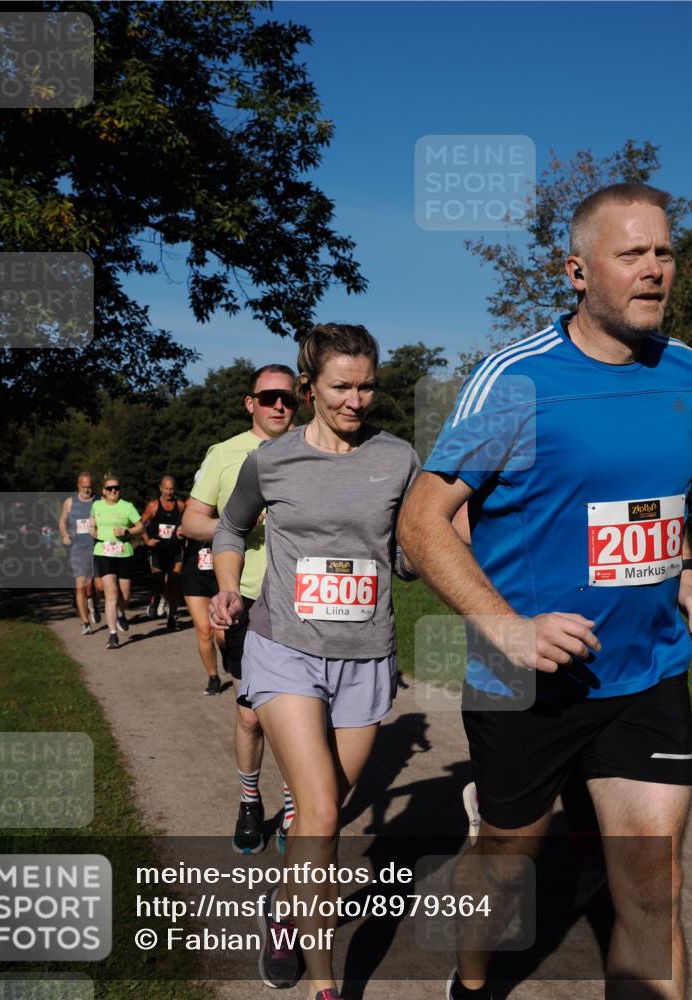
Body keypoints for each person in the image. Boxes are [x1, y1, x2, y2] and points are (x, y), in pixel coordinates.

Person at [398, 183, 692, 1000]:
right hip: (526, 683)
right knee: (507, 857)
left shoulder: (686, 373)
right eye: (631, 253)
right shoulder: (515, 380)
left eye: (665, 252)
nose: (654, 269)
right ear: (577, 270)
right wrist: (509, 629)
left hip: (649, 672)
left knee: (655, 886)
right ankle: (469, 981)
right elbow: (421, 521)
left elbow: (673, 505)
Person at [210, 324, 420, 999]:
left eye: (367, 386)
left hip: (366, 657)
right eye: (341, 387)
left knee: (314, 818)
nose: (356, 401)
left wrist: (433, 548)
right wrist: (227, 586)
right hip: (284, 649)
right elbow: (229, 526)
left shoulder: (399, 458)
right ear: (309, 389)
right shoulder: (272, 460)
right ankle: (323, 985)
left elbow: (408, 556)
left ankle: (283, 906)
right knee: (323, 814)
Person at [182, 364, 298, 852]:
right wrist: (241, 521)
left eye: (288, 398)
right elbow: (191, 522)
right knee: (251, 715)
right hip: (247, 598)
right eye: (268, 397)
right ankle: (250, 800)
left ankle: (294, 804)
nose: (279, 405)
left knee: (304, 715)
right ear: (250, 403)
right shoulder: (225, 454)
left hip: (304, 599)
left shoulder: (316, 450)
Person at [181, 482, 226, 695]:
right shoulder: (190, 509)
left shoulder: (229, 507)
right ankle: (213, 677)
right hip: (195, 574)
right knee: (204, 630)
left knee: (223, 633)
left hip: (221, 574)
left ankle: (227, 653)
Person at [91, 475, 145, 650]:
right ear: (103, 491)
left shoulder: (127, 507)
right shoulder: (97, 505)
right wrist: (92, 530)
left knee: (125, 595)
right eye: (109, 488)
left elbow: (141, 526)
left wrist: (126, 531)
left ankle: (121, 613)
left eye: (116, 488)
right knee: (111, 593)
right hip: (103, 552)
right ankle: (113, 635)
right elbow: (92, 522)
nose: (113, 491)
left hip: (123, 553)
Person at [141, 475, 185, 632]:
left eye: (172, 489)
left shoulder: (180, 506)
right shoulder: (153, 506)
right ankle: (155, 599)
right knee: (158, 580)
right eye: (166, 489)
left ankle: (171, 618)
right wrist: (147, 540)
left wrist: (183, 535)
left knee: (174, 584)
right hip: (158, 551)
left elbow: (186, 523)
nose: (169, 492)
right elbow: (140, 524)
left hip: (175, 550)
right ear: (161, 488)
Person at [59, 472, 101, 636]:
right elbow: (62, 521)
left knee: (99, 586)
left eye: (90, 487)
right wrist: (64, 535)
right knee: (80, 587)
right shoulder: (70, 502)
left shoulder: (99, 501)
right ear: (78, 486)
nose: (87, 490)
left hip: (97, 548)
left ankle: (94, 603)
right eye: (84, 487)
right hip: (78, 549)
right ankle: (85, 623)